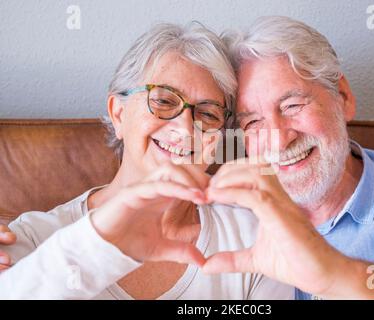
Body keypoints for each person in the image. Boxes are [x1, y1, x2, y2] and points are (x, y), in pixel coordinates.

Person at [0, 22, 292, 300]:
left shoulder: (255, 235)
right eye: (163, 101)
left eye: (207, 113)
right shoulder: (33, 237)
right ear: (119, 114)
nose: (186, 128)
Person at [201, 16, 374, 300]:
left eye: (292, 105)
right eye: (253, 123)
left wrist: (338, 275)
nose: (280, 139)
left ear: (343, 98)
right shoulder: (230, 222)